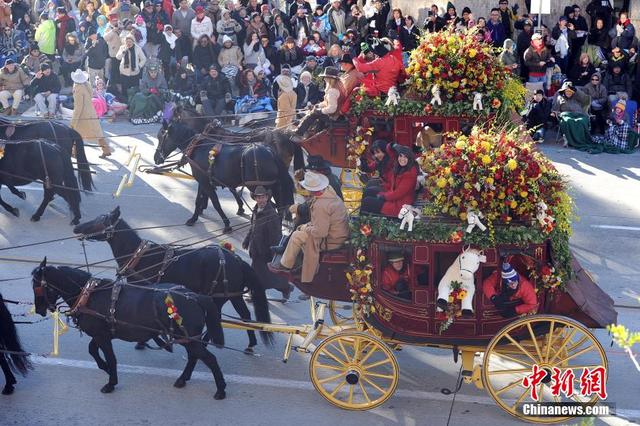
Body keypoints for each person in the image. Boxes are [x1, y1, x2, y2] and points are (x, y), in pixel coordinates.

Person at [271, 171, 349, 284]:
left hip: (332, 241)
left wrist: (304, 228)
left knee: (297, 235)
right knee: (300, 231)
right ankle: (291, 263)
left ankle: (285, 265)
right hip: (339, 234)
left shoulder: (321, 205)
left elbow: (320, 233)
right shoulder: (329, 192)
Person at [242, 186, 293, 300]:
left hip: (264, 252)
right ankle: (255, 292)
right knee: (257, 274)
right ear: (255, 198)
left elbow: (275, 236)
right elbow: (253, 227)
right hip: (256, 250)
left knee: (268, 278)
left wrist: (272, 253)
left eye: (263, 197)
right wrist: (247, 239)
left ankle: (285, 288)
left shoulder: (272, 215)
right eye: (258, 197)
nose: (260, 200)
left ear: (267, 198)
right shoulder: (256, 210)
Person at [360, 144, 418, 217]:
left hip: (399, 206)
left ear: (410, 158)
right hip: (393, 197)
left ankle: (364, 223)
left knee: (367, 202)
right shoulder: (400, 166)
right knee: (369, 192)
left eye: (405, 157)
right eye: (400, 156)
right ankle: (365, 221)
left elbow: (398, 193)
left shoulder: (410, 172)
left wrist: (384, 196)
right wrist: (393, 145)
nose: (402, 159)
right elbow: (389, 149)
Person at [70, 69, 112, 158]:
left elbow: (78, 107)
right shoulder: (87, 85)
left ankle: (74, 152)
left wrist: (74, 121)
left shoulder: (78, 89)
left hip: (83, 116)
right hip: (91, 112)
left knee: (75, 133)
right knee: (98, 133)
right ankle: (106, 150)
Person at [294, 66, 344, 138]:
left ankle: (299, 132)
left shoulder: (332, 91)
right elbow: (326, 102)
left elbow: (332, 108)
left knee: (313, 114)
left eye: (326, 77)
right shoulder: (335, 88)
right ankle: (315, 134)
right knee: (315, 112)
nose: (324, 79)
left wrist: (320, 111)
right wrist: (317, 106)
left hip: (334, 117)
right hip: (334, 115)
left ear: (330, 79)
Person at [552, 81, 591, 147]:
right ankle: (568, 140)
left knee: (582, 121)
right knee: (568, 121)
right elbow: (555, 108)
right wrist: (554, 112)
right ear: (564, 91)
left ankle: (580, 140)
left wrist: (577, 90)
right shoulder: (559, 98)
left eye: (570, 91)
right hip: (566, 114)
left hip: (578, 114)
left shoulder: (577, 97)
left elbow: (586, 99)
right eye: (567, 91)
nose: (568, 93)